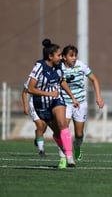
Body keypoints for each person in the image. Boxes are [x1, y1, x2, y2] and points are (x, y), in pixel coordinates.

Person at [27, 39, 79, 169]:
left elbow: (61, 81)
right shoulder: (39, 67)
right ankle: (63, 154)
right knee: (56, 132)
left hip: (56, 100)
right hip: (41, 104)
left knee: (62, 124)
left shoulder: (59, 66)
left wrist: (72, 97)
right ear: (50, 56)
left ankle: (69, 156)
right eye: (59, 55)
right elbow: (30, 89)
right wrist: (49, 94)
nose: (61, 57)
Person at [61, 45, 104, 161]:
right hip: (65, 102)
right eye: (71, 56)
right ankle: (64, 158)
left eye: (75, 55)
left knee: (79, 134)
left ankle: (77, 146)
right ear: (64, 57)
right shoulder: (58, 67)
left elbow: (94, 79)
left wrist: (98, 97)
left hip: (80, 103)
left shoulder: (80, 65)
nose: (74, 58)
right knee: (63, 129)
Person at [22, 79, 48, 156]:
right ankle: (41, 150)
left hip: (45, 105)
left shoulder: (48, 76)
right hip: (33, 105)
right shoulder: (31, 78)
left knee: (44, 127)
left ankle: (38, 136)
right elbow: (24, 92)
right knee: (40, 125)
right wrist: (25, 106)